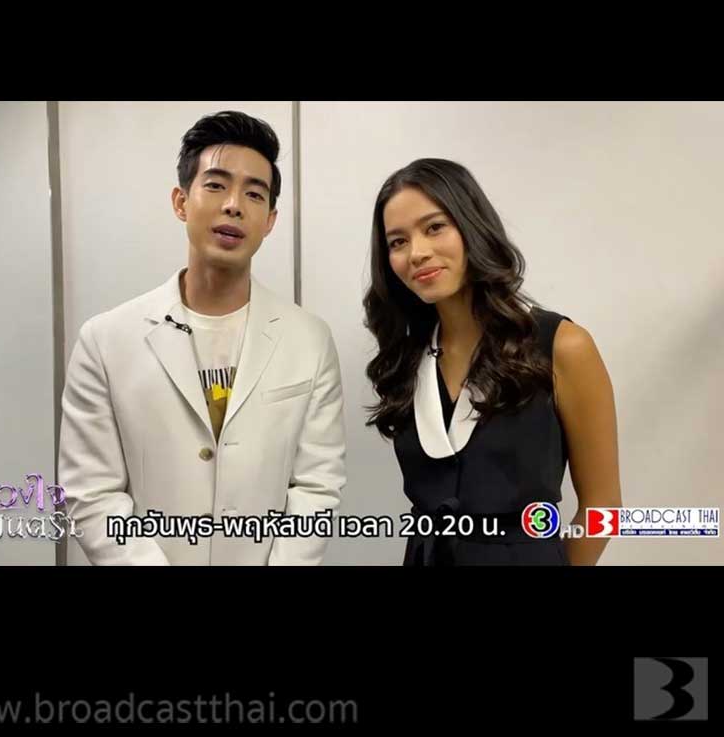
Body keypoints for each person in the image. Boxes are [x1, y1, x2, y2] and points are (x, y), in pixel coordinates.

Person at [59, 110, 346, 565]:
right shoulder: (106, 341)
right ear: (181, 202)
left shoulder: (309, 340)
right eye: (215, 185)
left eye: (254, 194)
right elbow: (91, 494)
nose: (234, 204)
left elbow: (317, 486)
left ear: (270, 220)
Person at [363, 158, 621, 565]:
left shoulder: (562, 346)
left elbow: (604, 508)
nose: (417, 253)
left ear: (472, 227)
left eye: (434, 227)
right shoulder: (406, 358)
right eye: (397, 242)